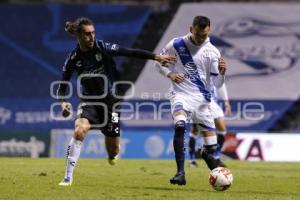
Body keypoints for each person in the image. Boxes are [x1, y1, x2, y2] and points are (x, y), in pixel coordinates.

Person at [56, 17, 176, 186]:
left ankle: (112, 155)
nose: (91, 37)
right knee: (79, 130)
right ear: (79, 36)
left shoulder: (102, 48)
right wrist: (63, 102)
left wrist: (155, 56)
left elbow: (130, 52)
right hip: (89, 101)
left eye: (93, 33)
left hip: (111, 103)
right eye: (87, 34)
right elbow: (62, 85)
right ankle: (68, 176)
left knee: (113, 150)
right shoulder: (73, 58)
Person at [155, 16, 227, 186]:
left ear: (208, 31)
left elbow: (217, 83)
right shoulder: (176, 44)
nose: (201, 38)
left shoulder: (212, 52)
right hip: (181, 95)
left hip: (203, 102)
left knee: (210, 151)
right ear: (191, 28)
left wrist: (223, 73)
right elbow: (158, 63)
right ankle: (180, 173)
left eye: (204, 35)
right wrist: (170, 74)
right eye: (198, 34)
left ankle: (211, 163)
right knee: (180, 125)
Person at [188, 83, 231, 167]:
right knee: (194, 130)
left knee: (222, 129)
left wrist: (226, 101)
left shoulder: (215, 72)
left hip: (213, 102)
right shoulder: (195, 72)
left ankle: (216, 157)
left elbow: (221, 84)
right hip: (198, 101)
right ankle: (192, 160)